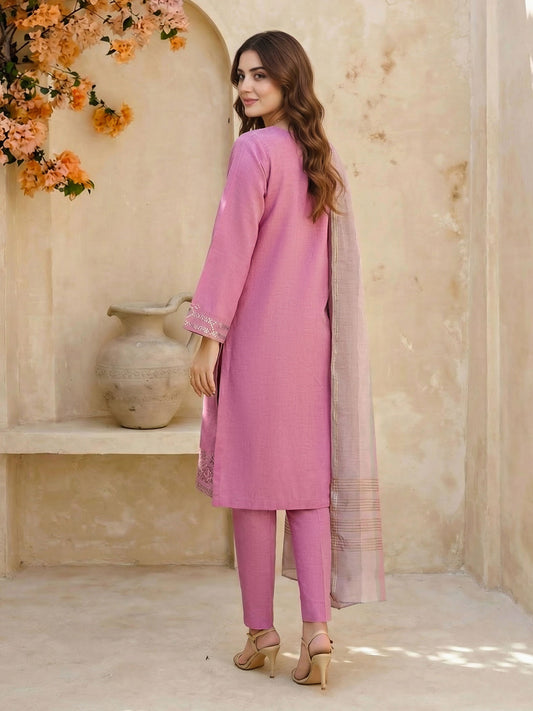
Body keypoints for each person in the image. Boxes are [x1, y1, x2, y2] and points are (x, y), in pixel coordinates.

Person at [184, 30, 385, 690]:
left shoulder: (253, 150)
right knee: (305, 489)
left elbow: (231, 247)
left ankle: (260, 634)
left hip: (255, 343)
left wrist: (207, 336)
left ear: (287, 80)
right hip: (311, 347)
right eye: (240, 76)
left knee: (249, 490)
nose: (246, 87)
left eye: (260, 76)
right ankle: (317, 635)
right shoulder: (321, 155)